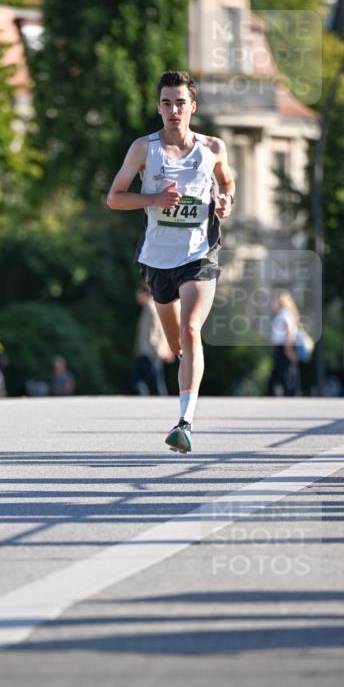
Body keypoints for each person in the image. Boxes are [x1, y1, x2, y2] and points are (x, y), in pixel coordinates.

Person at [107, 69, 235, 453]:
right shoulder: (144, 149)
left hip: (199, 252)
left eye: (180, 103)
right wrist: (153, 199)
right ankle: (184, 371)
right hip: (158, 259)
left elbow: (227, 182)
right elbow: (114, 197)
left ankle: (184, 422)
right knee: (177, 341)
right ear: (159, 107)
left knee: (192, 330)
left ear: (192, 107)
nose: (173, 110)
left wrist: (226, 200)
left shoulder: (212, 148)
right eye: (166, 103)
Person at [131, 284, 172, 395]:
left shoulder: (150, 308)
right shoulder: (148, 308)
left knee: (151, 381)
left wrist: (155, 349)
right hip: (147, 352)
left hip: (150, 352)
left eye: (139, 293)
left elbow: (156, 330)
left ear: (145, 294)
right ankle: (152, 402)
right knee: (152, 380)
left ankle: (159, 403)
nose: (137, 296)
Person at [267, 290, 300, 397]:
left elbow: (289, 332)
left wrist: (288, 349)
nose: (272, 304)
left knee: (286, 371)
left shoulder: (284, 314)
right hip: (283, 346)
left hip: (285, 346)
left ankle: (290, 393)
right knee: (282, 370)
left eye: (274, 301)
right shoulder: (284, 313)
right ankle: (280, 392)